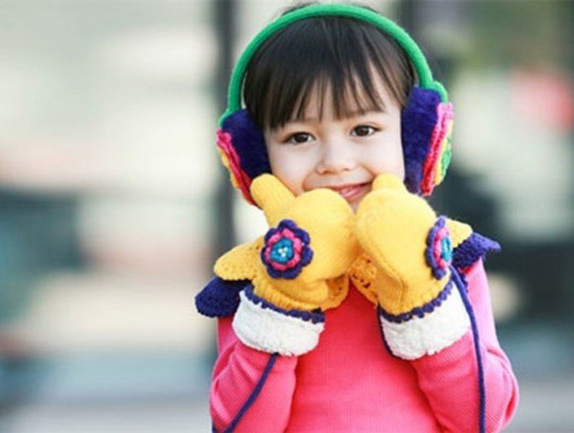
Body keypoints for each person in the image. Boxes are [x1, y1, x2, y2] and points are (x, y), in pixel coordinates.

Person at [196, 2, 519, 432]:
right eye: (300, 137)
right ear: (256, 158)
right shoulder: (253, 279)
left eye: (363, 130)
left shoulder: (448, 259)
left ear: (415, 136)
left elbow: (483, 417)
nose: (335, 161)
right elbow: (240, 425)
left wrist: (425, 296)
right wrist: (282, 299)